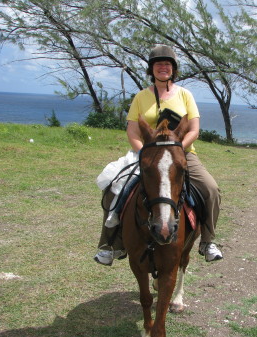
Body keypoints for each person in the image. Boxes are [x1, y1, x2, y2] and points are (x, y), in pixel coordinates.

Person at [94, 45, 223, 265]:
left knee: (211, 189)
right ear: (151, 69)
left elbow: (194, 129)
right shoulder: (141, 97)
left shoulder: (185, 95)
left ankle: (207, 241)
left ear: (173, 69)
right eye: (158, 64)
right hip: (147, 155)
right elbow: (133, 131)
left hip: (182, 154)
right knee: (114, 187)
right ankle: (110, 244)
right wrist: (143, 152)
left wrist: (177, 150)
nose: (163, 67)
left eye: (167, 64)